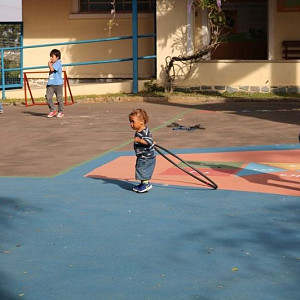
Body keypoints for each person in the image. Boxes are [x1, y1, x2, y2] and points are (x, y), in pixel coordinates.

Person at [129, 109, 156, 193]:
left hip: (146, 157)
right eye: (130, 122)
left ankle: (145, 184)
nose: (131, 124)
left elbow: (148, 141)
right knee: (140, 168)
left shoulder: (143, 132)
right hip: (143, 155)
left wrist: (140, 140)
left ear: (142, 121)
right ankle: (143, 183)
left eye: (133, 122)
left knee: (141, 169)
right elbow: (150, 140)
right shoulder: (141, 131)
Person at [46, 49, 64, 118]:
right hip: (51, 84)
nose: (51, 58)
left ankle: (60, 111)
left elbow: (52, 70)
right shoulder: (52, 64)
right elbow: (50, 72)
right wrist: (50, 65)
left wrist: (49, 65)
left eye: (52, 56)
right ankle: (53, 110)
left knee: (59, 99)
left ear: (57, 57)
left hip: (58, 84)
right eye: (50, 56)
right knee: (48, 97)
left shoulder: (58, 63)